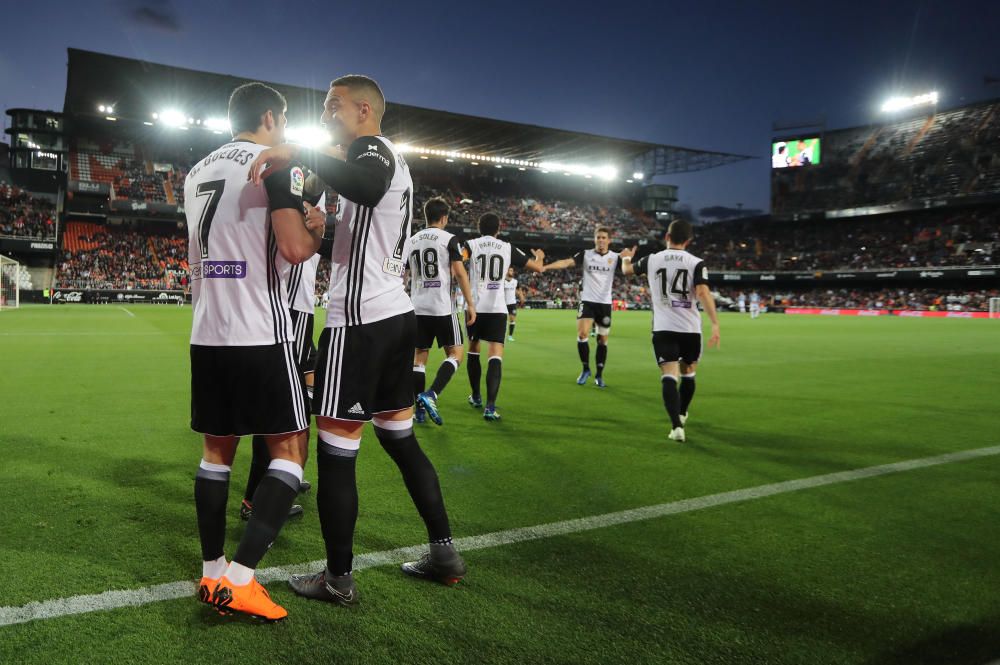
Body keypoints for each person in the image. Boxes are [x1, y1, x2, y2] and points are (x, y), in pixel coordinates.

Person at [248, 74, 465, 606]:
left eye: (333, 106)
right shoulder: (389, 160)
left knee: (337, 452)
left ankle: (338, 579)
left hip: (360, 322)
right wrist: (329, 220)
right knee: (400, 440)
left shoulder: (371, 149)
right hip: (396, 317)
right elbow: (364, 213)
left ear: (364, 109)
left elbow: (364, 187)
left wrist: (298, 151)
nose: (325, 115)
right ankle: (444, 552)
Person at [187, 82, 323, 621]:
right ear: (270, 116)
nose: (285, 130)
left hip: (207, 331)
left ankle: (212, 572)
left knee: (215, 453)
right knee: (291, 449)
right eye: (285, 120)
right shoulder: (274, 163)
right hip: (261, 332)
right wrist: (315, 231)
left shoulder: (197, 170)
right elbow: (292, 249)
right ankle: (241, 580)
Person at [623, 220, 720, 443]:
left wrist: (626, 257)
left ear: (667, 236)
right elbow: (703, 293)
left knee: (668, 375)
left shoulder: (652, 259)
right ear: (688, 240)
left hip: (663, 327)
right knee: (689, 373)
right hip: (690, 329)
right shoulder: (697, 263)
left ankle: (676, 426)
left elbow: (627, 270)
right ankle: (683, 413)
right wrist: (715, 323)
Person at [465, 213, 544, 420]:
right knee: (495, 354)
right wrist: (540, 257)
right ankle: (490, 407)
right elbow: (538, 267)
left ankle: (475, 396)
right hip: (498, 308)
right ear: (498, 229)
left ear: (478, 227)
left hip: (474, 306)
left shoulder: (470, 244)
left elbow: (457, 261)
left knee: (473, 350)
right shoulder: (507, 247)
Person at [409, 196, 477, 426]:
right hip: (442, 308)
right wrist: (470, 304)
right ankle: (431, 394)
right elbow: (459, 272)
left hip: (418, 307)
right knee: (456, 354)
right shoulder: (449, 239)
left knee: (419, 359)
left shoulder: (413, 239)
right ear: (445, 218)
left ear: (427, 216)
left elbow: (405, 272)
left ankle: (418, 411)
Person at [543, 227, 635, 388]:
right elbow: (566, 262)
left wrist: (628, 259)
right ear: (594, 239)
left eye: (604, 237)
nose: (600, 240)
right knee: (582, 333)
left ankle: (599, 375)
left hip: (605, 304)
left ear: (609, 240)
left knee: (602, 340)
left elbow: (629, 271)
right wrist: (546, 267)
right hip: (587, 301)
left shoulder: (615, 257)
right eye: (598, 237)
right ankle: (586, 369)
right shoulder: (586, 254)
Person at [503, 267, 524, 341]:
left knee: (512, 319)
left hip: (512, 303)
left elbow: (519, 290)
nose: (511, 272)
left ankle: (510, 336)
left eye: (512, 270)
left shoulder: (515, 281)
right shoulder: (502, 281)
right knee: (502, 321)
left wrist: (521, 297)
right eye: (509, 270)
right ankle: (501, 335)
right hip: (503, 304)